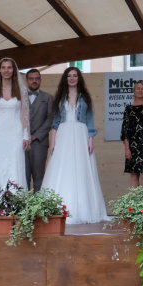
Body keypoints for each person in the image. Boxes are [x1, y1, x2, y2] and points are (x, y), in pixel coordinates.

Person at [43, 66, 108, 224]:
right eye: (69, 76)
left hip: (81, 134)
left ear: (79, 78)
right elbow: (56, 122)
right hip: (64, 135)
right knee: (64, 169)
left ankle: (83, 209)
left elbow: (90, 119)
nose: (72, 78)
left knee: (81, 169)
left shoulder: (85, 98)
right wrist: (53, 141)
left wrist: (91, 139)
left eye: (75, 75)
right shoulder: (60, 98)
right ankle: (60, 209)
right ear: (65, 79)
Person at [0, 57, 31, 196]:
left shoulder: (22, 90)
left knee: (15, 165)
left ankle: (16, 201)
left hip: (16, 133)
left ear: (14, 70)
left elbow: (24, 114)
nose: (6, 70)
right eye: (3, 67)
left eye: (9, 67)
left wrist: (26, 135)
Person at [24, 69, 53, 191]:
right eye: (31, 79)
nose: (34, 81)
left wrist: (36, 136)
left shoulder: (48, 97)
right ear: (27, 81)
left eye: (37, 78)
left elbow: (51, 119)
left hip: (40, 143)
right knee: (22, 177)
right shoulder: (19, 98)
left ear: (40, 80)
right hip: (21, 142)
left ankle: (38, 203)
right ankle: (23, 203)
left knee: (39, 178)